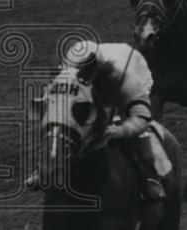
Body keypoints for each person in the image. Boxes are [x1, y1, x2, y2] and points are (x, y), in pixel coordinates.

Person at [27, 42, 166, 205]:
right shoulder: (65, 76)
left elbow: (141, 117)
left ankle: (150, 177)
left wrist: (121, 130)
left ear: (96, 71)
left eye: (84, 73)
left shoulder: (122, 77)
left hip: (131, 82)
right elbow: (49, 110)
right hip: (95, 99)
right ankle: (42, 168)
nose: (78, 76)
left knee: (139, 134)